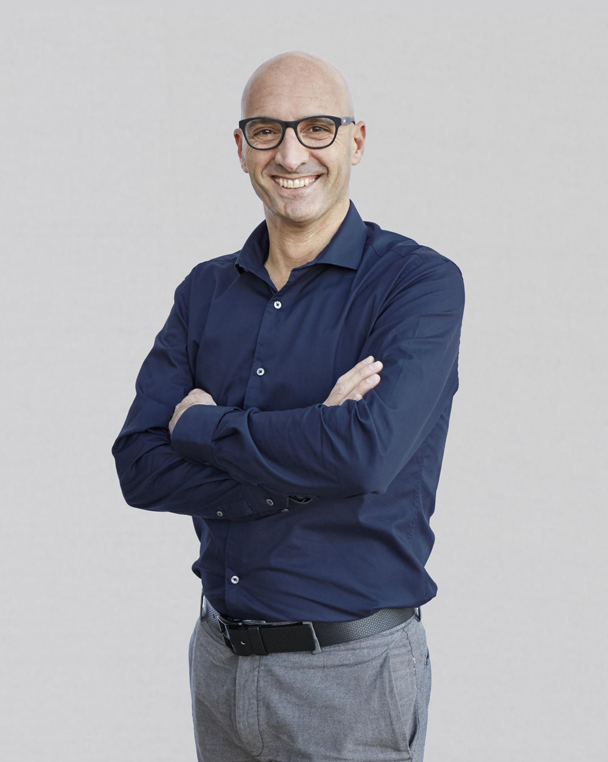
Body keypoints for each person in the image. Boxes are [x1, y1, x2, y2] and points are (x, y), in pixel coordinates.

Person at [112, 49, 465, 762]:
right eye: (267, 130)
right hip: (219, 660)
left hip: (350, 674)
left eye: (317, 128)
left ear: (355, 142)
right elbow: (140, 466)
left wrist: (203, 426)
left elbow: (364, 455)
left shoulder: (417, 284)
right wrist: (307, 457)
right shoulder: (205, 292)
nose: (291, 153)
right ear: (242, 147)